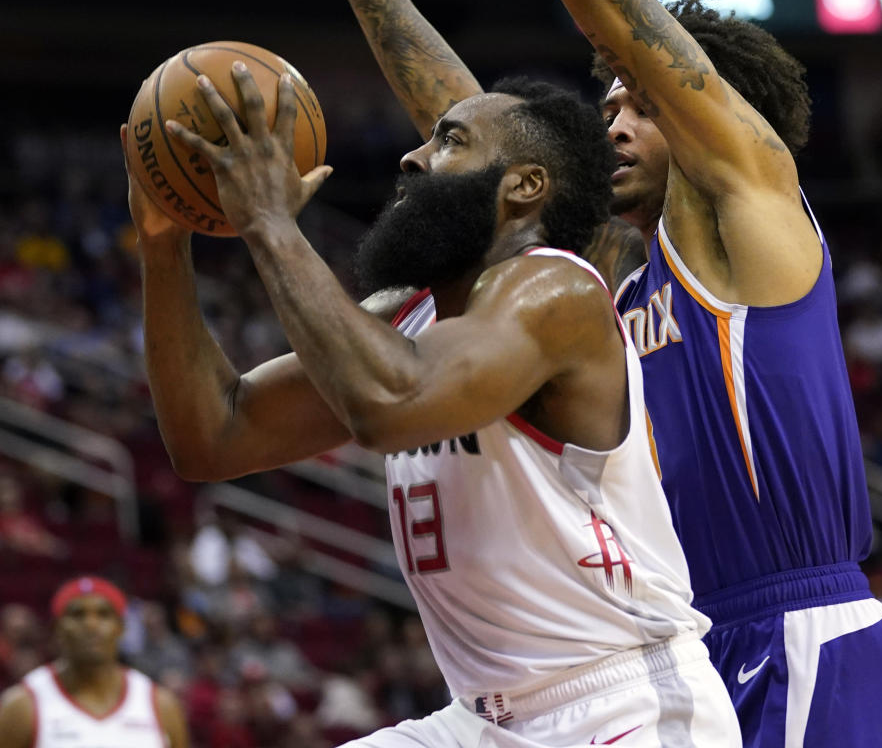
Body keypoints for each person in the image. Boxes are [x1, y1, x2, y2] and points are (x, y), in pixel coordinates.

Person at [257, 0, 882, 745]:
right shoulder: (603, 270)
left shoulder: (754, 216)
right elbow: (471, 130)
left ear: (707, 115)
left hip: (798, 636)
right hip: (671, 647)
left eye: (639, 103)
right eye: (605, 101)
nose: (610, 123)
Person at [121, 59, 742, 747]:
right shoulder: (404, 320)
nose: (412, 157)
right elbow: (215, 434)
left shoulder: (557, 294)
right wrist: (162, 245)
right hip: (481, 718)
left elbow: (390, 404)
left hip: (618, 701)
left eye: (449, 141)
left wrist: (270, 222)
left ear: (525, 186)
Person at [0, 575, 189, 748]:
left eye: (103, 614)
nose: (91, 625)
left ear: (121, 628)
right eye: (77, 614)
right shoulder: (22, 705)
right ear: (57, 628)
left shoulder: (160, 704)